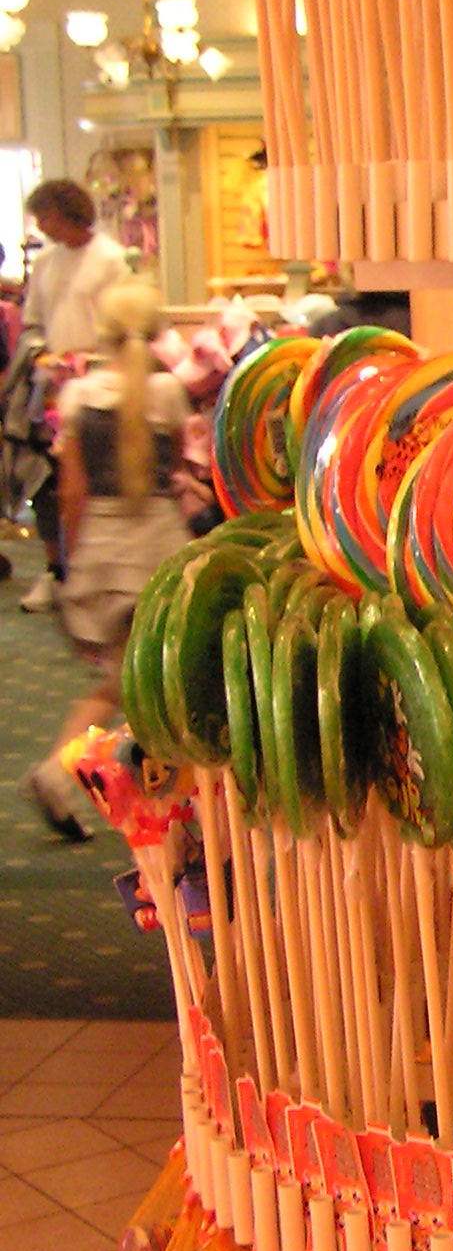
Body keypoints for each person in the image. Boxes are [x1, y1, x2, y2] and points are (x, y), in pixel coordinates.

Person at [25, 278, 189, 841]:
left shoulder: (79, 396)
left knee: (126, 682)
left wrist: (73, 561)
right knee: (150, 685)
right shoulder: (167, 393)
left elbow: (72, 494)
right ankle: (75, 776)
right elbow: (174, 473)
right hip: (158, 548)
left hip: (104, 549)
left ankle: (80, 778)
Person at [4, 179, 129, 611]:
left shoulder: (110, 259)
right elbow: (33, 322)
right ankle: (55, 570)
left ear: (66, 211)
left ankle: (94, 575)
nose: (41, 225)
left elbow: (122, 323)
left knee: (93, 482)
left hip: (98, 385)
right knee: (46, 481)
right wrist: (43, 356)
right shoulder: (45, 264)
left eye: (45, 215)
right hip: (50, 387)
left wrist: (89, 359)